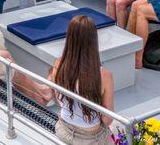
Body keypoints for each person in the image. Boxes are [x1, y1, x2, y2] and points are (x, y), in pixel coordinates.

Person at [49, 15, 114, 144]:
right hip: (91, 139)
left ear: (69, 38)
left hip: (63, 131)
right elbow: (108, 118)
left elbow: (58, 98)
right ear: (93, 40)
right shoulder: (104, 75)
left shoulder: (58, 65)